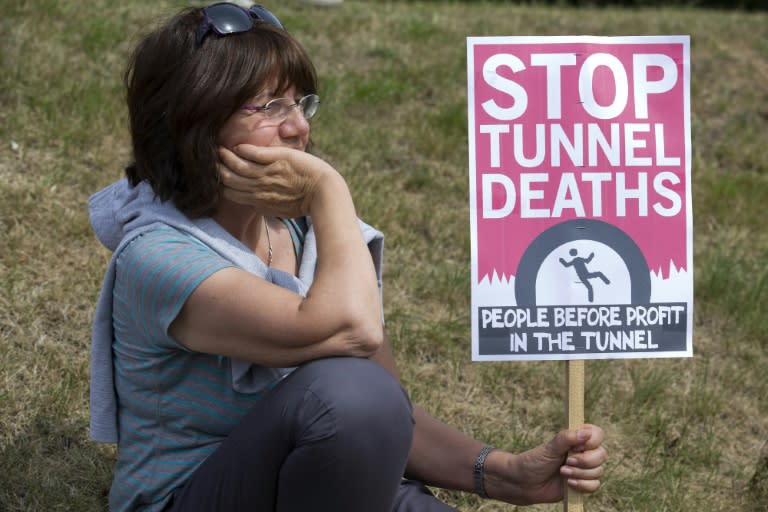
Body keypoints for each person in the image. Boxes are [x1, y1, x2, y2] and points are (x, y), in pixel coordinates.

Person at [88, 3, 607, 511]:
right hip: (197, 494)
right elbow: (353, 349)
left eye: (299, 103)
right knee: (351, 393)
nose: (298, 128)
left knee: (362, 397)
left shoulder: (302, 233)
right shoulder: (156, 257)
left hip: (313, 483)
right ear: (194, 124)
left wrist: (506, 474)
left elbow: (383, 417)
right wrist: (328, 189)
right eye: (269, 107)